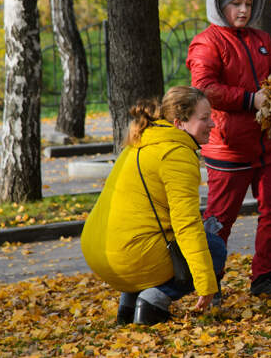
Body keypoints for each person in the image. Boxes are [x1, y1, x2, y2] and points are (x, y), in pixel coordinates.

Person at [186, 0, 271, 300]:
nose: (243, 10)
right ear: (219, 5)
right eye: (235, 3)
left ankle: (265, 278)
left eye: (247, 3)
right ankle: (210, 283)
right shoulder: (207, 42)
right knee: (219, 221)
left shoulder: (260, 40)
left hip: (270, 144)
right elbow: (203, 87)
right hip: (228, 148)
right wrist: (251, 99)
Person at [80, 86, 226, 326]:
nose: (212, 124)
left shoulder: (142, 140)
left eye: (211, 116)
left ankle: (128, 306)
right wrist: (206, 283)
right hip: (129, 258)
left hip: (100, 254)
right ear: (179, 123)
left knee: (147, 238)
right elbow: (186, 225)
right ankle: (151, 303)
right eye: (204, 118)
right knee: (215, 248)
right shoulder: (176, 154)